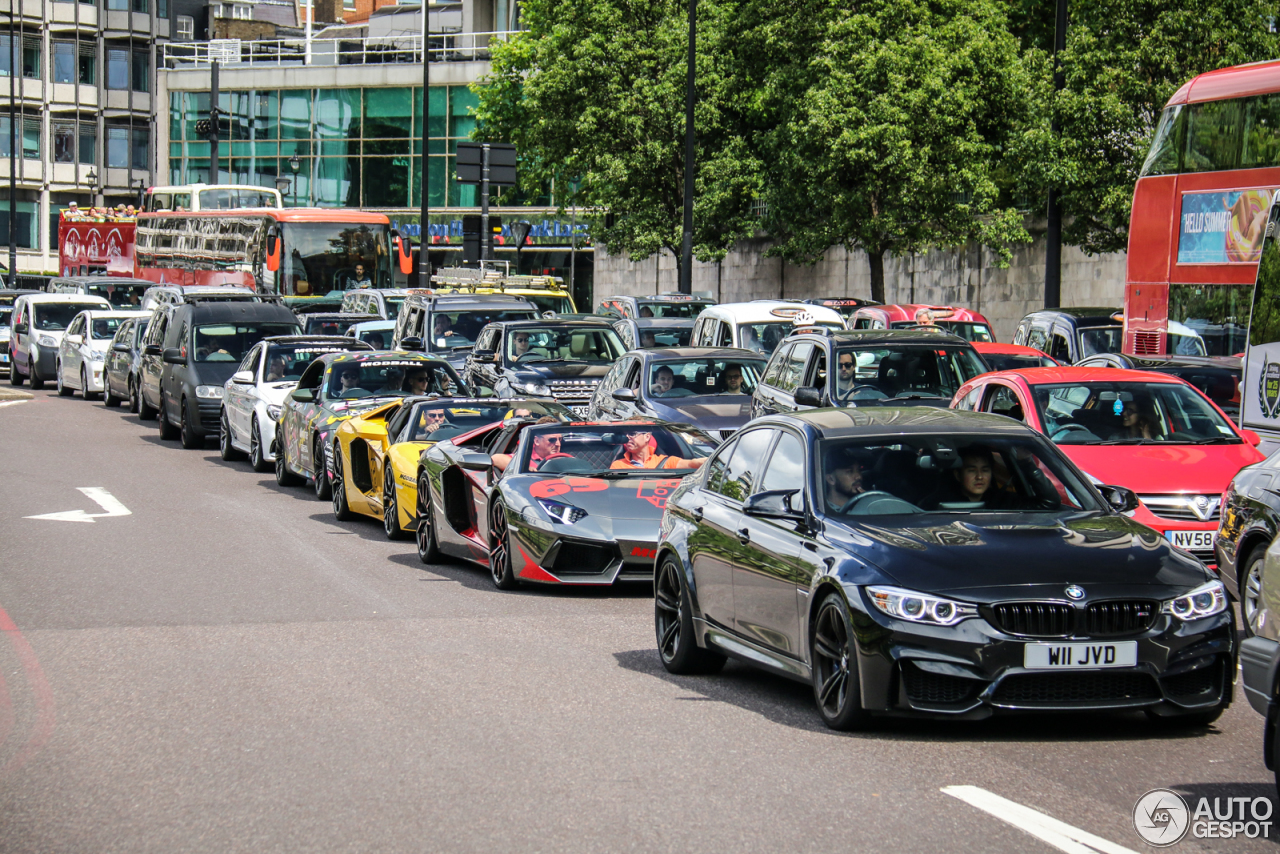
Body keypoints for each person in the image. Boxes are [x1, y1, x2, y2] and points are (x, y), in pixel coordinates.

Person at [610, 428, 705, 470]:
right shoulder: (618, 465)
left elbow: (692, 464)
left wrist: (716, 460)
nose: (627, 437)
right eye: (625, 435)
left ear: (647, 437)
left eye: (632, 434)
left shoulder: (666, 462)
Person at [825, 446, 868, 511]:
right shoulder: (825, 512)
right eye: (850, 472)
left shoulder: (866, 504)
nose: (859, 476)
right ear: (831, 479)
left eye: (858, 470)